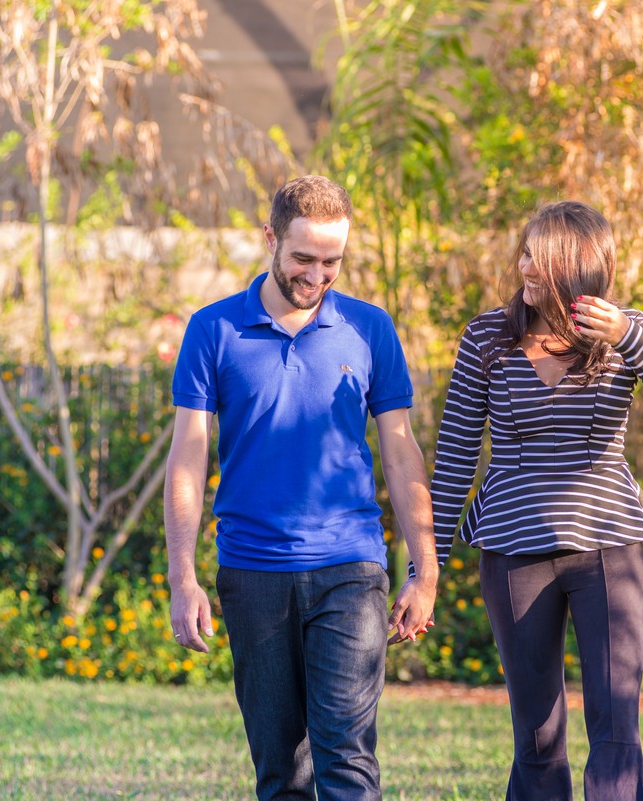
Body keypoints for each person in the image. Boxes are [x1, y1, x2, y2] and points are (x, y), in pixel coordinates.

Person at [164, 175, 438, 801]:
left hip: (350, 566)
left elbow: (400, 452)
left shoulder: (370, 330)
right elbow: (188, 457)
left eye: (332, 261)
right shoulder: (214, 330)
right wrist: (184, 576)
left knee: (348, 761)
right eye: (303, 258)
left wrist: (426, 569)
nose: (317, 275)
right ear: (270, 239)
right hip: (252, 571)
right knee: (281, 771)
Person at [430, 200, 643, 800]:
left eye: (540, 256)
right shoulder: (487, 336)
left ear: (577, 267)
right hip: (514, 552)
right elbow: (455, 454)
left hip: (611, 548)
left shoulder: (627, 334)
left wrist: (631, 336)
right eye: (525, 252)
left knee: (616, 728)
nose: (525, 266)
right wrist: (424, 564)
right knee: (536, 733)